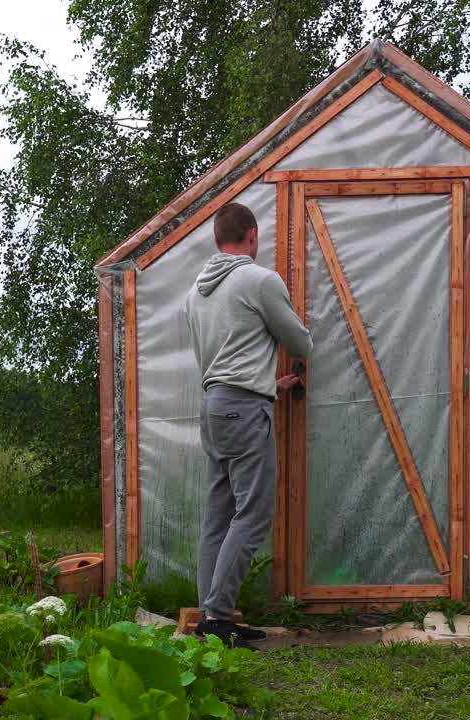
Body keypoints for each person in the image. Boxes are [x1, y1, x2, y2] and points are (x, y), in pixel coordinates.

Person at [184, 202, 312, 649]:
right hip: (242, 410)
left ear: (219, 239)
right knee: (253, 513)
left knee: (218, 515)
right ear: (252, 236)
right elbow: (299, 341)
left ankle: (210, 612)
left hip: (214, 407)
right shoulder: (260, 280)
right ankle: (218, 616)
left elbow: (220, 363)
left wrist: (266, 385)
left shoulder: (195, 293)